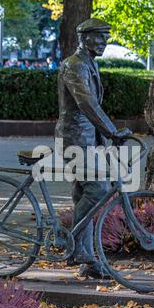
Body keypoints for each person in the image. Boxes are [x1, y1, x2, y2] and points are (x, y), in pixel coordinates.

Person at [55, 18, 131, 279]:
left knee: (83, 195)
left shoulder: (89, 64)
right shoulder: (74, 65)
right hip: (75, 138)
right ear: (84, 38)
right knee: (97, 189)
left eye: (106, 37)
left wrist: (107, 134)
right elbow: (86, 103)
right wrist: (112, 130)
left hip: (88, 139)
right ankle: (76, 249)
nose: (104, 42)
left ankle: (85, 258)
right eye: (99, 37)